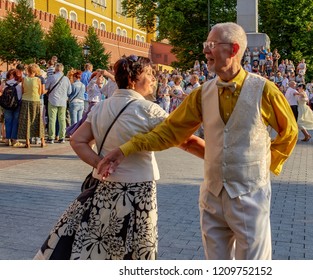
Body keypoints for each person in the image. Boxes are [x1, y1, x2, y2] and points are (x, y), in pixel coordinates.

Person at [97, 22, 298, 260]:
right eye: (206, 44)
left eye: (211, 45)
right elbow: (169, 132)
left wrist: (266, 166)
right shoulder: (201, 93)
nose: (205, 51)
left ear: (233, 50)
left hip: (250, 195)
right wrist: (125, 149)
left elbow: (289, 132)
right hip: (212, 196)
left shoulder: (264, 90)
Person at [33, 55, 205, 260]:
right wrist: (220, 157)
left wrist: (100, 163)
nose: (154, 79)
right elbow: (185, 141)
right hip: (137, 191)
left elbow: (78, 140)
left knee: (98, 248)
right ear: (132, 79)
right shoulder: (148, 109)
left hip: (102, 187)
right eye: (149, 74)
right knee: (134, 249)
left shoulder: (100, 107)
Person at [17, 64, 46, 148]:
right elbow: (40, 92)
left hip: (25, 101)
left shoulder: (24, 79)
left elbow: (22, 90)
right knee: (38, 120)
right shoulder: (38, 80)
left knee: (26, 121)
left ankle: (27, 142)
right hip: (35, 101)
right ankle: (42, 141)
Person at [45, 63, 72, 144]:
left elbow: (46, 87)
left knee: (52, 119)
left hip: (53, 100)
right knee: (62, 119)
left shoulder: (51, 77)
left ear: (55, 69)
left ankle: (51, 137)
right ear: (62, 69)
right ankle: (62, 137)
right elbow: (69, 91)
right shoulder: (66, 79)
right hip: (63, 101)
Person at [0, 69, 23, 147]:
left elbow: (1, 92)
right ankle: (14, 139)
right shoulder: (20, 84)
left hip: (6, 106)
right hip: (17, 105)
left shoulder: (4, 84)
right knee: (15, 122)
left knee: (8, 121)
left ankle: (7, 139)